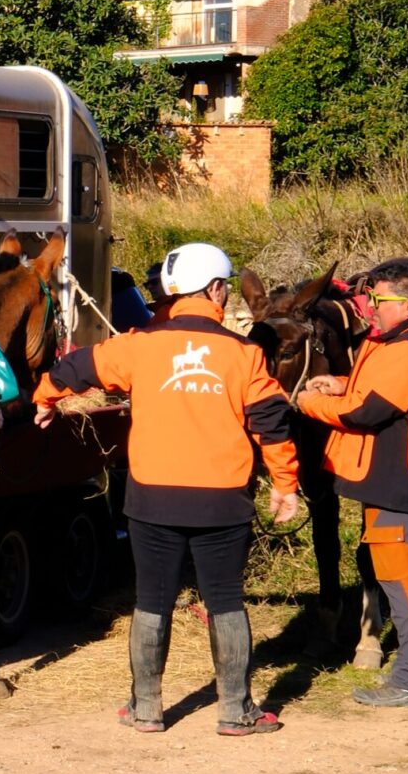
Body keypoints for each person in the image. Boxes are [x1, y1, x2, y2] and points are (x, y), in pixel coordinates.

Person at [33, 242, 302, 735]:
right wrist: (284, 483)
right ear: (216, 290)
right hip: (222, 500)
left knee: (152, 599)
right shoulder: (245, 354)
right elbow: (271, 421)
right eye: (225, 287)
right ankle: (236, 710)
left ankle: (146, 708)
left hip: (152, 497)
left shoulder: (139, 345)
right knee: (225, 599)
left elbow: (74, 368)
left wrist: (46, 399)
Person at [295, 257, 408, 709]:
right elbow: (390, 390)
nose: (371, 306)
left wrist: (308, 403)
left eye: (379, 299)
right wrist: (343, 382)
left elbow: (365, 413)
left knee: (403, 582)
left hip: (401, 482)